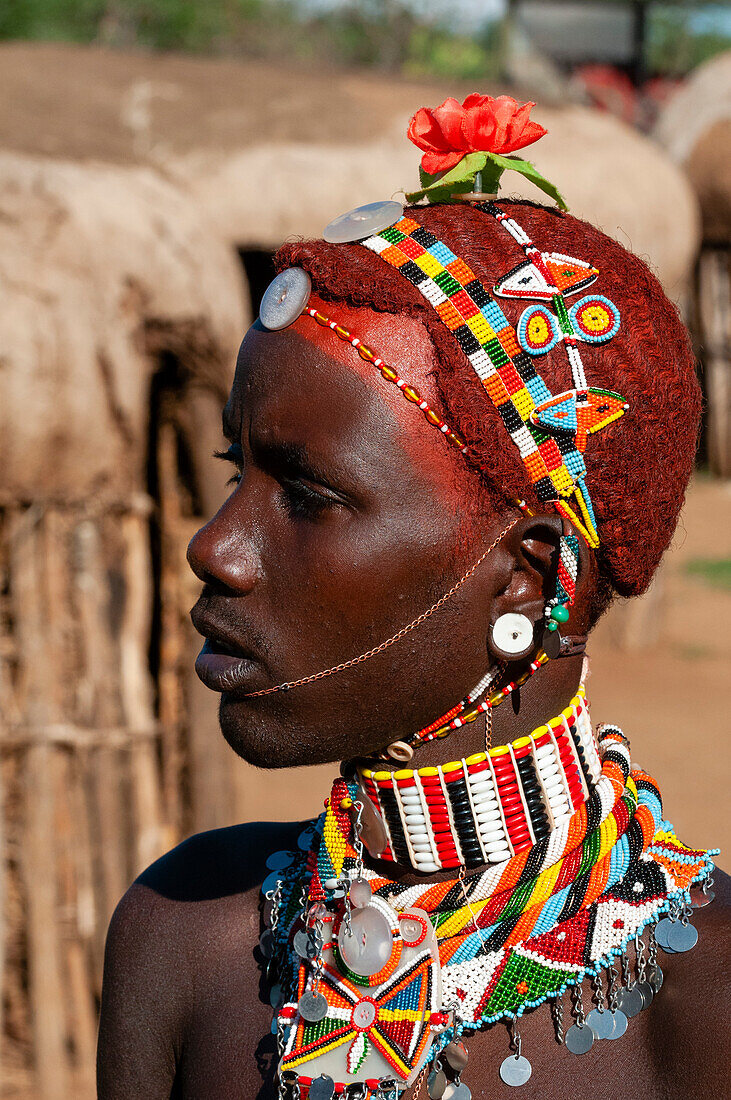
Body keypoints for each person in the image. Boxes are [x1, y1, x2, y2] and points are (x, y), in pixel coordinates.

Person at [97, 96, 728, 1100]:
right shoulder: (182, 935)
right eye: (235, 470)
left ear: (525, 575)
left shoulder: (702, 999)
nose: (213, 545)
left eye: (306, 492)